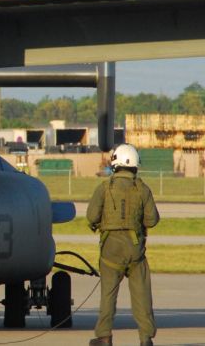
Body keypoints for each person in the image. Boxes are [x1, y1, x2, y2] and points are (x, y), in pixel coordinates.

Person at [87, 144, 160, 346]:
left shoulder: (103, 188)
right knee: (142, 294)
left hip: (111, 250)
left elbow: (91, 216)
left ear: (115, 163)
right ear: (135, 165)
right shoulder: (143, 189)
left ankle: (104, 336)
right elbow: (152, 220)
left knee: (108, 295)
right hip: (135, 249)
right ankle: (146, 338)